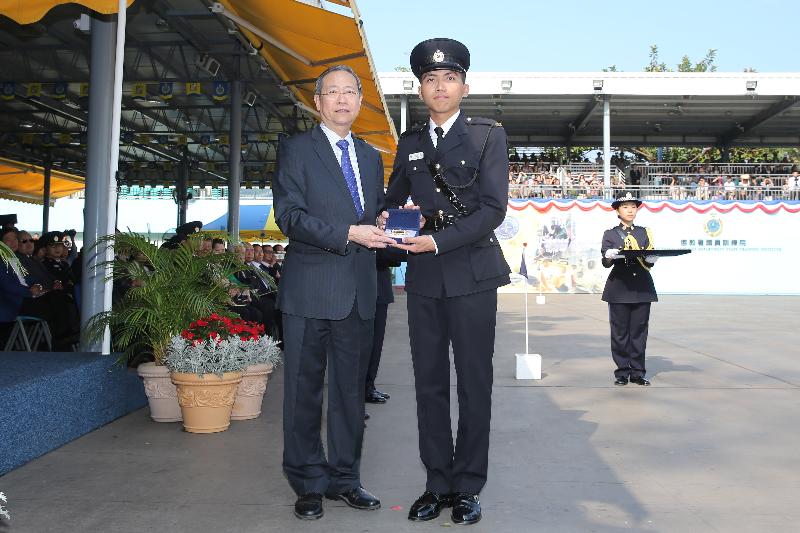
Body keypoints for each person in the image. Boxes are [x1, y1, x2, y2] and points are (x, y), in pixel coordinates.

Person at [381, 38, 511, 526]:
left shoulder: (487, 136)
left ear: (464, 86)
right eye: (431, 80)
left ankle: (468, 486)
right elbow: (393, 202)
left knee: (475, 383)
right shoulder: (411, 142)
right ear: (420, 88)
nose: (440, 86)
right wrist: (389, 222)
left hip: (473, 273)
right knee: (429, 383)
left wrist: (437, 241)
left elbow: (493, 211)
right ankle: (436, 482)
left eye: (449, 79)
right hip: (424, 279)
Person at [272, 64, 396, 521]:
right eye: (332, 92)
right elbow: (290, 216)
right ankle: (307, 481)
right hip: (309, 292)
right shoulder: (296, 150)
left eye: (350, 92)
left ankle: (345, 478)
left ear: (360, 102)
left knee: (349, 394)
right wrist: (350, 233)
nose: (342, 99)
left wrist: (383, 223)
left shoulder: (369, 156)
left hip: (359, 293)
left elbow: (372, 213)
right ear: (318, 102)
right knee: (303, 393)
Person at [601, 192, 659, 387]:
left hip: (641, 288)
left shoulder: (644, 233)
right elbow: (606, 262)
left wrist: (652, 260)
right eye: (625, 207)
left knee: (639, 332)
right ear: (617, 210)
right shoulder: (610, 234)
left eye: (633, 207)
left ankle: (637, 373)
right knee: (619, 332)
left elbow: (647, 262)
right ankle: (621, 372)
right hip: (619, 287)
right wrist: (609, 256)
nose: (630, 210)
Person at [364, 248, 405, 405]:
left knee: (376, 344)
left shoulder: (385, 226)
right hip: (359, 286)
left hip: (380, 286)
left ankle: (368, 386)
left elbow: (395, 256)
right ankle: (356, 395)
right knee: (361, 346)